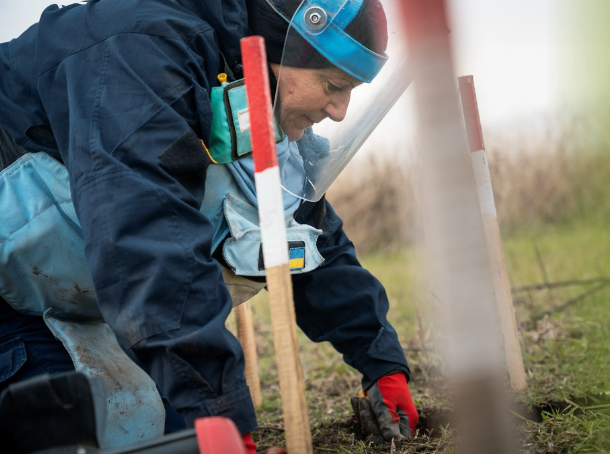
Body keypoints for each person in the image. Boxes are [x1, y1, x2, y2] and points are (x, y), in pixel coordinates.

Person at [0, 0, 416, 451]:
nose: (339, 111)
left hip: (73, 297)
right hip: (10, 299)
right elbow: (148, 238)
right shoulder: (139, 54)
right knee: (106, 438)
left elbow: (294, 226)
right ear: (282, 46)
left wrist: (381, 361)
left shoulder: (244, 88)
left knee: (173, 430)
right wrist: (221, 413)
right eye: (333, 85)